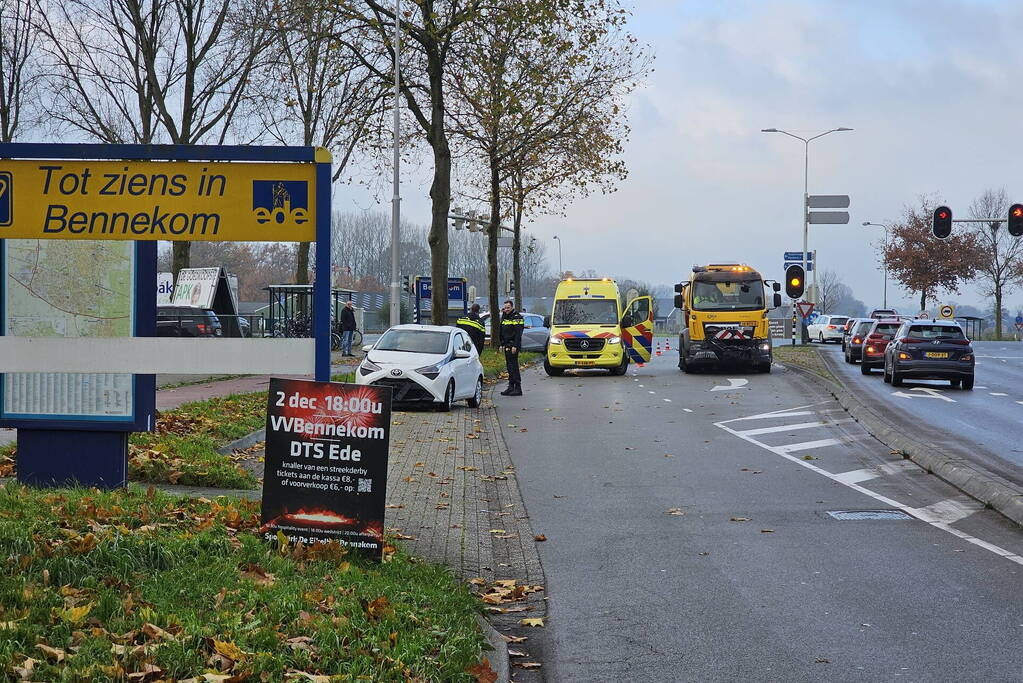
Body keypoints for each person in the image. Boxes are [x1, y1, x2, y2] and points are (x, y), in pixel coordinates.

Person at [499, 300, 524, 396]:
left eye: (508, 307)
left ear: (512, 307)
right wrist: (501, 344)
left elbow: (518, 333)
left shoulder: (517, 317)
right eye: (505, 308)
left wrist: (515, 345)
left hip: (513, 345)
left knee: (514, 367)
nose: (506, 309)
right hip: (506, 344)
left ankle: (518, 388)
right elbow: (501, 331)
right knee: (509, 367)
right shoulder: (505, 316)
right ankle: (510, 386)